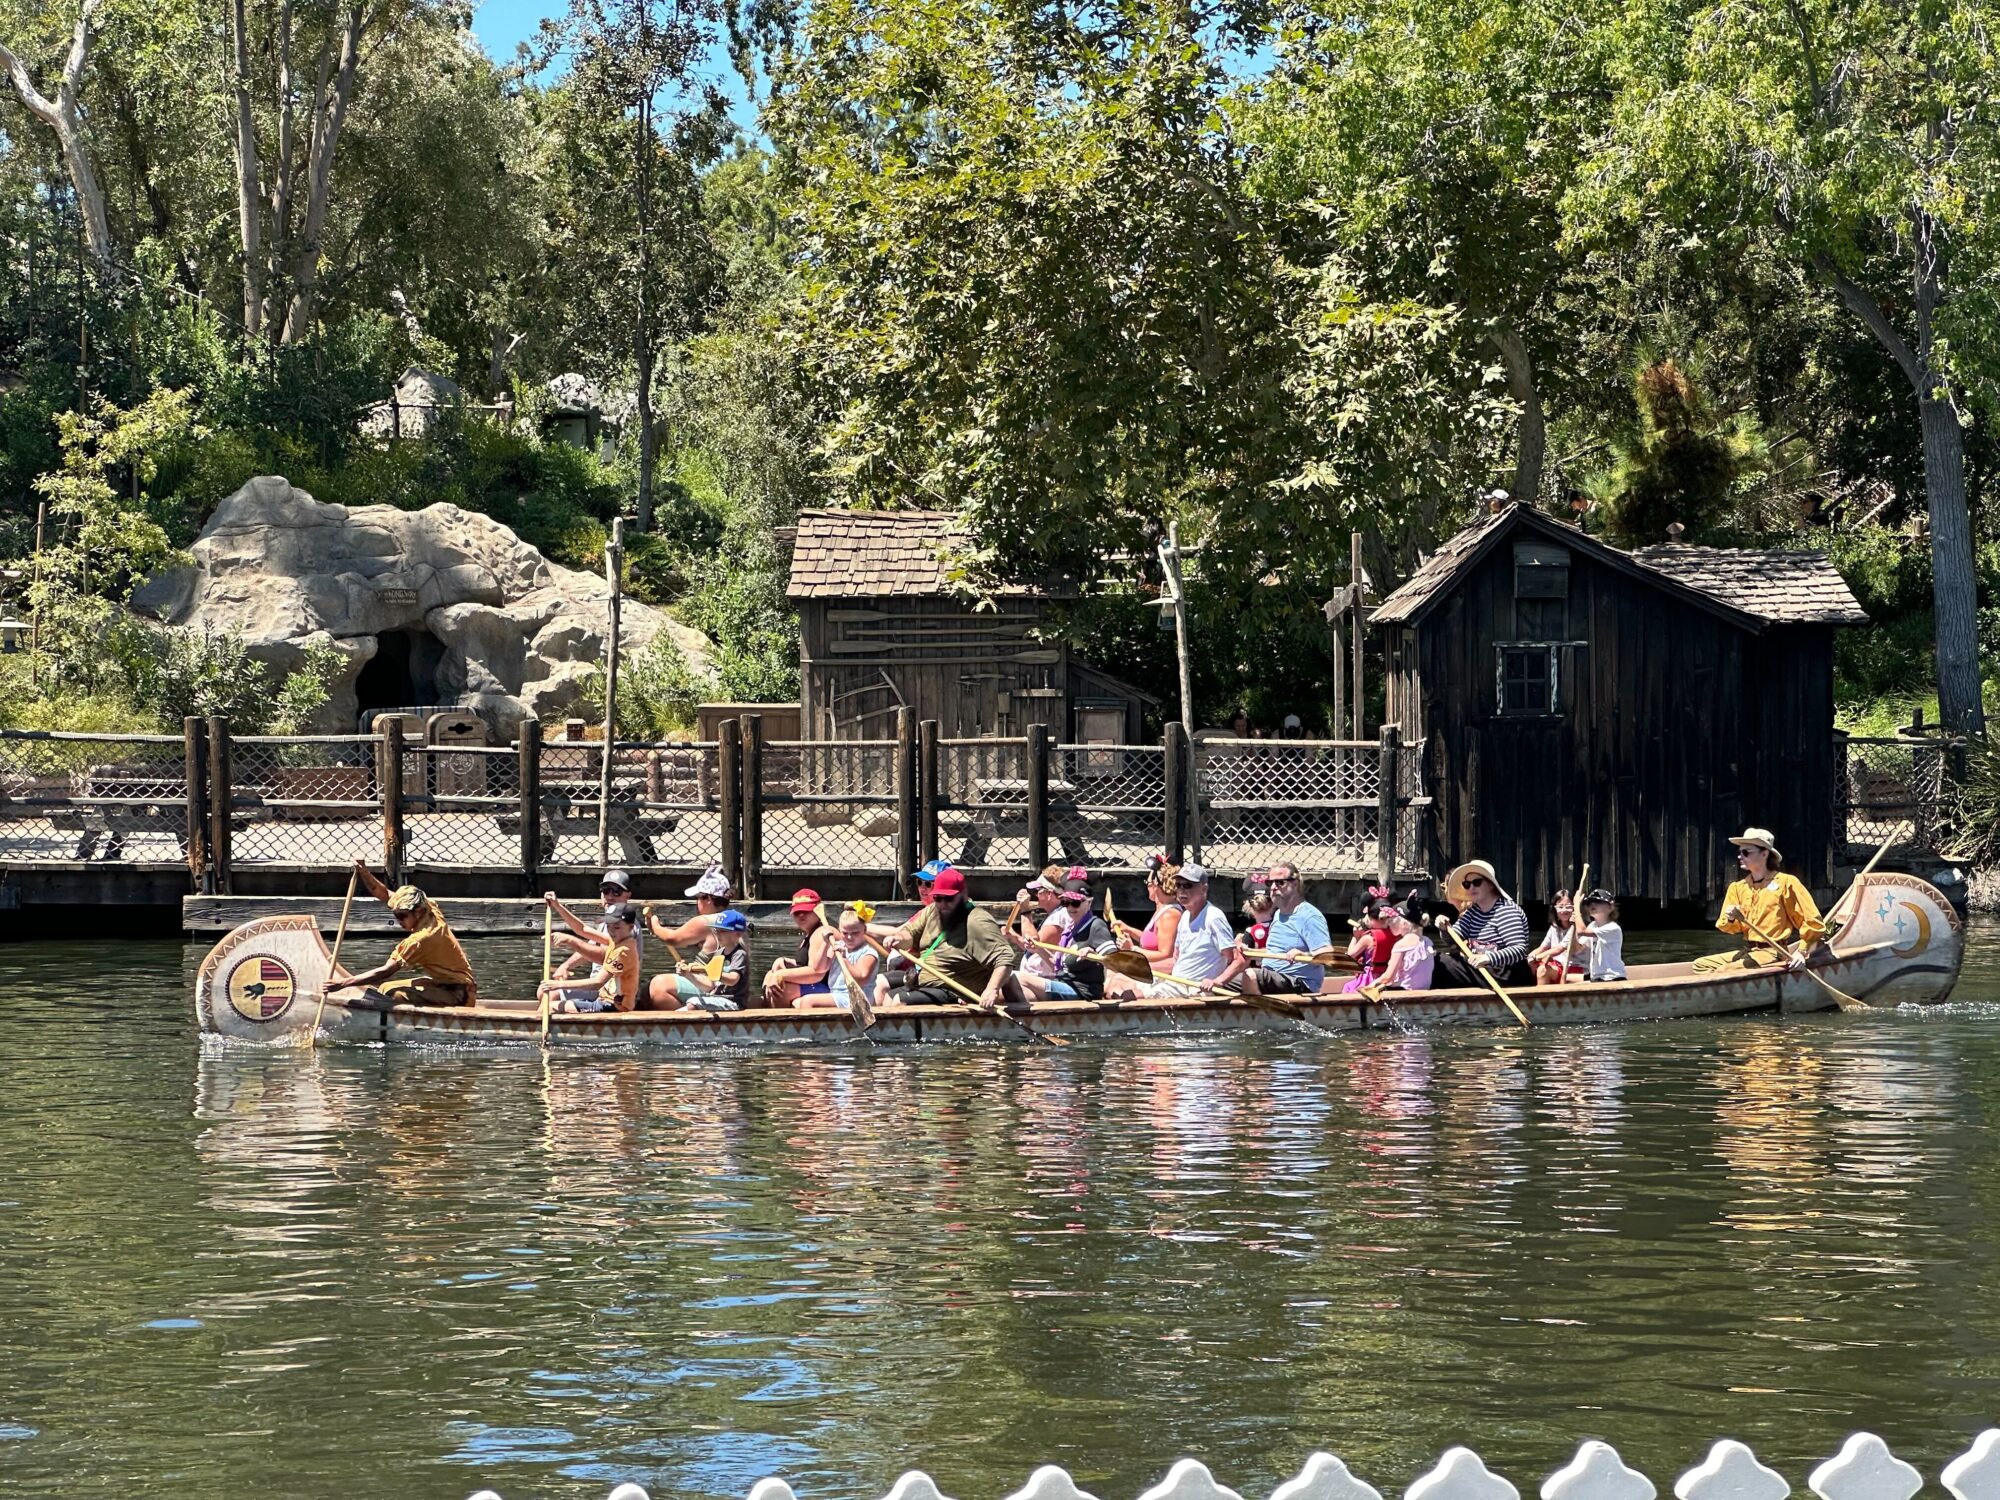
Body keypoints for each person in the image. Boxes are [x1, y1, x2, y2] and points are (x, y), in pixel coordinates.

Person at [326, 862, 477, 1007]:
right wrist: (363, 871)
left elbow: (385, 971)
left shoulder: (420, 940)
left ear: (418, 912)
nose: (398, 921)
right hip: (445, 985)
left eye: (402, 916)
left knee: (393, 993)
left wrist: (343, 983)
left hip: (460, 995)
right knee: (385, 988)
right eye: (396, 915)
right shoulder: (429, 908)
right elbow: (383, 893)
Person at [884, 867, 1023, 1007]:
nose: (943, 904)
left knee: (898, 1001)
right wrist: (899, 938)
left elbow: (1004, 958)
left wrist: (992, 990)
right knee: (883, 991)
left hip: (954, 990)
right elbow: (911, 934)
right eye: (938, 898)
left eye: (949, 898)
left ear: (963, 895)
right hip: (925, 981)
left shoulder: (978, 922)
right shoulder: (932, 910)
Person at [1697, 828, 1826, 972]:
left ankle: (1724, 987)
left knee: (1724, 971)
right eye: (1739, 852)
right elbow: (1728, 927)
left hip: (1774, 952)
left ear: (1764, 854)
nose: (1740, 856)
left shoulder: (1787, 883)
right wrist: (1732, 918)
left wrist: (1801, 952)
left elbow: (1812, 922)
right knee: (1701, 964)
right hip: (1749, 951)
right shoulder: (1738, 887)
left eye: (1746, 852)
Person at [1106, 862, 1236, 999]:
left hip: (1192, 988)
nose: (1181, 890)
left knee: (1126, 996)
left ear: (1204, 889)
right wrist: (1137, 968)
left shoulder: (1213, 917)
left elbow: (1237, 958)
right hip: (1175, 982)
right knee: (1115, 986)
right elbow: (1174, 961)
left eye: (1187, 885)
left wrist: (1218, 981)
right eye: (1178, 885)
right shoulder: (1185, 916)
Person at [1222, 861, 1329, 996]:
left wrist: (1305, 955)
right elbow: (1276, 951)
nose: (1273, 887)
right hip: (1274, 976)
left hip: (1300, 983)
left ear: (1295, 884)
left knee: (1250, 975)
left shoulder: (1309, 916)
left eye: (1280, 883)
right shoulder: (1279, 914)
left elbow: (1327, 954)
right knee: (1220, 981)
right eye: (1270, 883)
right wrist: (1251, 951)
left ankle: (1263, 1015)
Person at [1009, 871, 1117, 1001]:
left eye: (1075, 903)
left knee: (1014, 978)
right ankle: (1037, 1019)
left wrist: (1096, 957)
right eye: (1065, 902)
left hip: (1083, 992)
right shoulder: (1070, 928)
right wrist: (1038, 949)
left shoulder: (1096, 925)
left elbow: (1115, 962)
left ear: (1089, 902)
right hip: (1063, 983)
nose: (1070, 907)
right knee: (1015, 989)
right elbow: (1057, 967)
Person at [644, 863, 736, 1008]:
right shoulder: (734, 919)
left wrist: (654, 925)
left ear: (708, 899)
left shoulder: (705, 922)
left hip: (717, 987)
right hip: (727, 985)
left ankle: (681, 1023)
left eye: (698, 898)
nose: (696, 902)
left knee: (659, 986)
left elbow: (672, 938)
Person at [1431, 859, 1532, 988]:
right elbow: (1453, 940)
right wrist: (1444, 928)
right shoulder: (1473, 912)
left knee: (1442, 963)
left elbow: (1519, 950)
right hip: (1483, 970)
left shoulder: (1506, 910)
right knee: (1435, 959)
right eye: (1467, 884)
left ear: (1491, 885)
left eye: (1477, 882)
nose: (1471, 887)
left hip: (1506, 974)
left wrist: (1488, 958)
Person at [544, 868, 645, 987]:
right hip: (599, 987)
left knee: (550, 993)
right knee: (546, 992)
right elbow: (583, 931)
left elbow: (603, 955)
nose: (610, 896)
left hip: (613, 992)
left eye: (616, 891)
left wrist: (570, 940)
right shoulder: (608, 922)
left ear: (628, 895)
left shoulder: (626, 926)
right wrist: (557, 906)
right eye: (606, 891)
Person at [537, 904, 642, 1014]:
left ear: (630, 927)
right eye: (608, 926)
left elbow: (597, 983)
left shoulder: (623, 950)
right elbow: (582, 929)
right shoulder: (617, 940)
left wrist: (556, 985)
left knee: (547, 1007)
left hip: (612, 1007)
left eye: (616, 927)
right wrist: (557, 905)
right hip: (603, 1001)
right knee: (548, 1001)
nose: (611, 931)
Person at [803, 904, 882, 1012]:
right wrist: (825, 944)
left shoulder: (868, 953)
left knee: (808, 1002)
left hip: (858, 999)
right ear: (839, 930)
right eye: (845, 933)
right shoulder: (839, 946)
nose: (849, 937)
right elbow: (819, 968)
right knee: (800, 1001)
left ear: (864, 930)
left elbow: (861, 980)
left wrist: (844, 960)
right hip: (837, 995)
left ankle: (811, 1028)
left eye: (855, 933)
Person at [763, 890, 834, 1005]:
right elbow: (808, 964)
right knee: (770, 976)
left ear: (818, 910)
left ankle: (779, 1020)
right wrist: (785, 962)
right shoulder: (810, 933)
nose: (801, 915)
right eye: (797, 912)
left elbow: (817, 973)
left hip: (832, 988)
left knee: (783, 990)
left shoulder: (821, 932)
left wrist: (781, 975)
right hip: (819, 983)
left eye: (806, 911)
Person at [1120, 858, 1183, 967]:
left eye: (1148, 883)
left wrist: (1132, 949)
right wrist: (1128, 930)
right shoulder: (1161, 910)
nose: (1147, 886)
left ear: (1155, 885)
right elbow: (1152, 941)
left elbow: (1166, 955)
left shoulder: (1170, 915)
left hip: (1160, 972)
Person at [1376, 896, 1435, 991]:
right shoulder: (1428, 942)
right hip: (1424, 991)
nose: (1388, 923)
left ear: (1403, 923)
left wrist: (1368, 986)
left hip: (1403, 993)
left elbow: (1388, 977)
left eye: (1391, 920)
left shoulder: (1401, 945)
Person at [1341, 894, 1397, 994]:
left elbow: (1349, 956)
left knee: (1347, 987)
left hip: (1369, 978)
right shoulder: (1395, 934)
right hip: (1386, 976)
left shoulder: (1367, 939)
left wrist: (1356, 937)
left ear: (1372, 918)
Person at [1528, 889, 1583, 986]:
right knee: (1540, 969)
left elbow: (1559, 949)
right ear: (1555, 909)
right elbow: (1542, 948)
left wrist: (1537, 957)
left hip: (1575, 968)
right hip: (1558, 967)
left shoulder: (1576, 928)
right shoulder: (1554, 928)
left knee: (1542, 967)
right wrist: (1529, 958)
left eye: (1569, 907)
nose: (1564, 910)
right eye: (1560, 907)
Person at [1575, 889, 1626, 981]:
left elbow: (1581, 931)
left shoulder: (1613, 928)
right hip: (1596, 977)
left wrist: (1576, 907)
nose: (1592, 905)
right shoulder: (1592, 926)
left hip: (1611, 978)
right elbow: (1578, 949)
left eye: (1598, 901)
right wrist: (1572, 926)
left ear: (1610, 907)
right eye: (1589, 903)